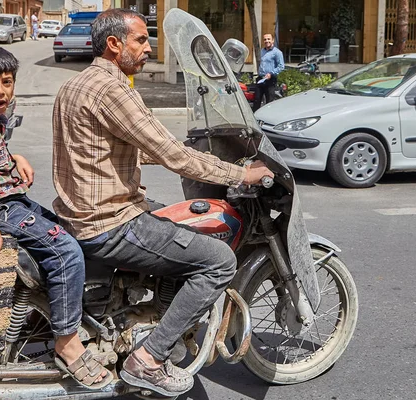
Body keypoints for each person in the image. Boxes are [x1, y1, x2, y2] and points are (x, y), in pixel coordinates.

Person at [52, 8, 274, 398]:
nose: (149, 47)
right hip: (109, 222)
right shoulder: (113, 88)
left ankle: (151, 318)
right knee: (219, 260)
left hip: (82, 212)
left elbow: (113, 149)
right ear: (114, 43)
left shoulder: (79, 83)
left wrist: (190, 151)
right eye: (140, 39)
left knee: (181, 223)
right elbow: (170, 153)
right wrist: (240, 174)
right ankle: (149, 359)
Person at [0, 47, 110, 390]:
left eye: (7, 82)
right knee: (66, 251)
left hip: (11, 200)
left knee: (75, 229)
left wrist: (16, 157)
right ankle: (67, 343)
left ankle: (61, 312)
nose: (0, 90)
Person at [252, 33, 284, 112]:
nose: (267, 41)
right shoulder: (262, 51)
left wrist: (271, 73)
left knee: (269, 102)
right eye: (265, 39)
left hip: (270, 80)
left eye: (268, 39)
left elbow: (281, 66)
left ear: (272, 40)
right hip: (261, 79)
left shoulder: (277, 53)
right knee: (256, 100)